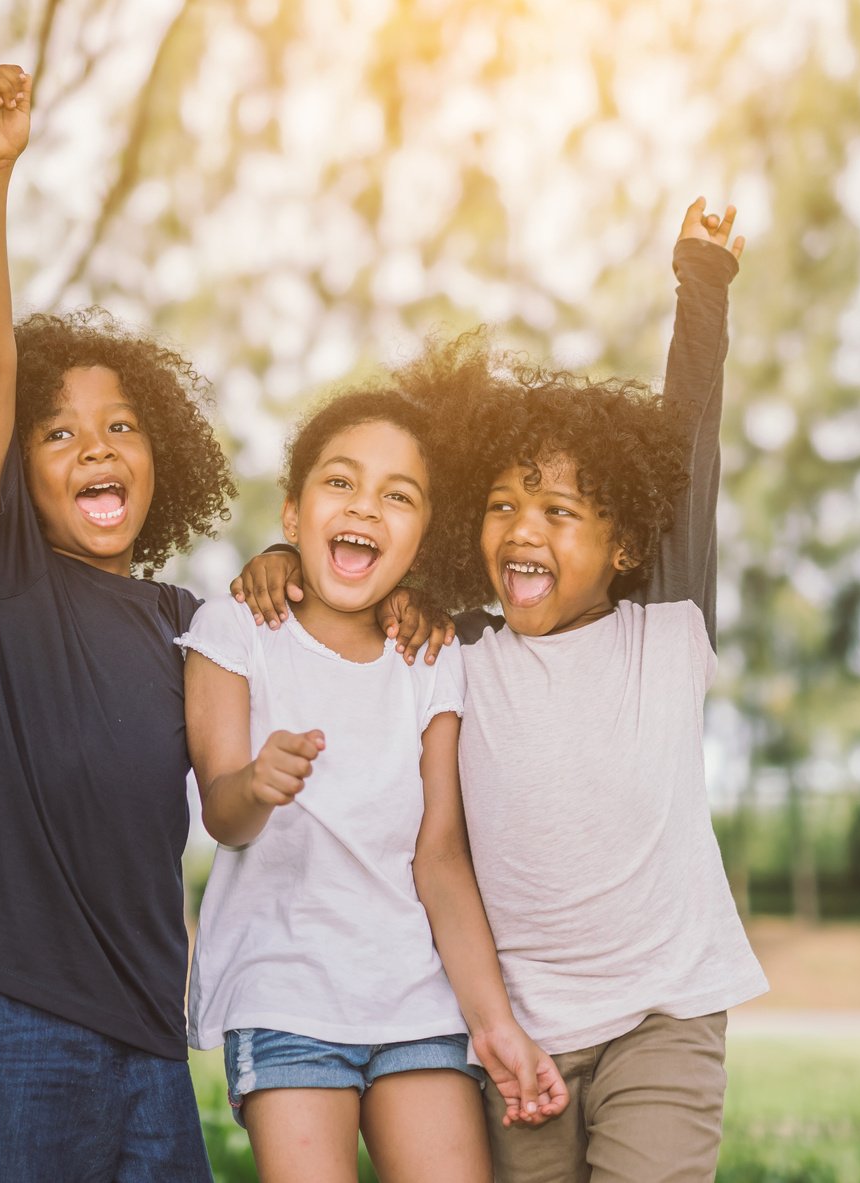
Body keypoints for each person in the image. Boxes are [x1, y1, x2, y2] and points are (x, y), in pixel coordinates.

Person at [235, 200, 769, 1182]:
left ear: (622, 541)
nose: (522, 528)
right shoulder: (454, 647)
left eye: (558, 510)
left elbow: (691, 441)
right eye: (500, 505)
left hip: (662, 1013)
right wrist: (282, 558)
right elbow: (358, 564)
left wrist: (702, 280)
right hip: (516, 1032)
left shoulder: (664, 626)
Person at [0, 65, 235, 1181]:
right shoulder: (6, 583)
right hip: (20, 1015)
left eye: (122, 425)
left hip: (150, 1028)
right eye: (58, 433)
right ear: (18, 471)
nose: (96, 445)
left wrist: (288, 566)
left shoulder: (192, 623)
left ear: (161, 456)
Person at [178, 384, 567, 1183]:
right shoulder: (234, 629)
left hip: (416, 1000)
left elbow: (440, 858)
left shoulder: (430, 657)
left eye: (398, 495)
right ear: (292, 515)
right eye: (340, 481)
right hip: (283, 994)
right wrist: (255, 782)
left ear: (422, 538)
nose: (364, 506)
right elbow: (223, 814)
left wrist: (494, 1024)